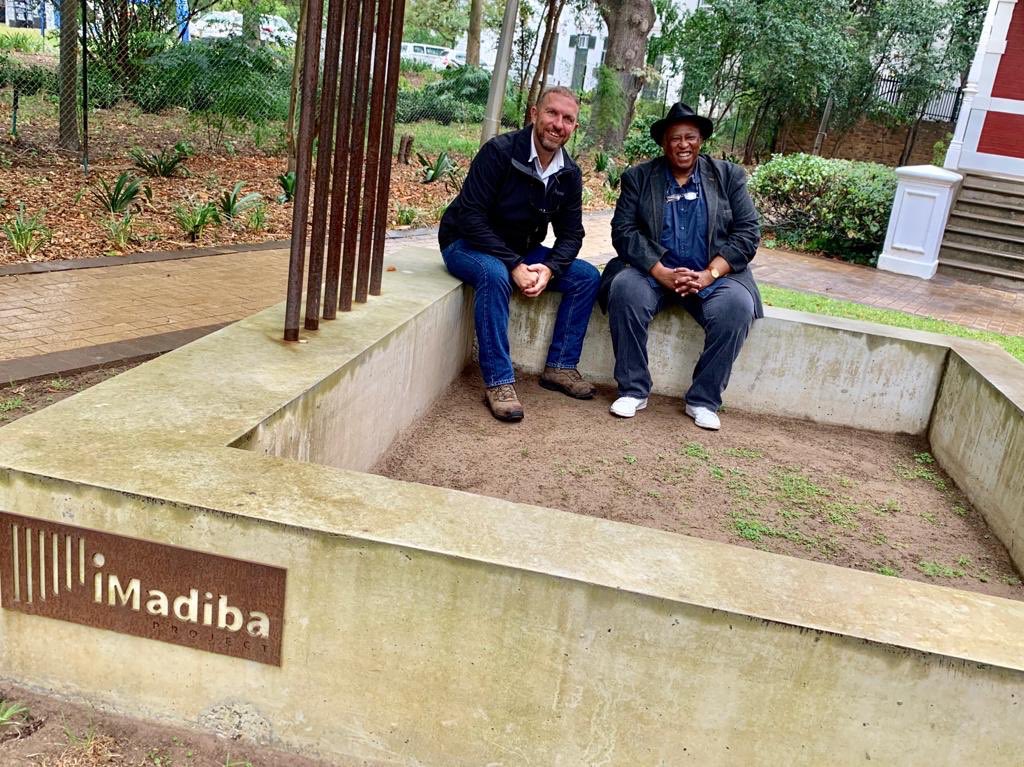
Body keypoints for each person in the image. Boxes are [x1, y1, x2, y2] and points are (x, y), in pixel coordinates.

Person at [439, 86, 601, 422]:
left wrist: (550, 269)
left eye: (568, 119)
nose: (558, 124)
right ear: (534, 114)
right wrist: (514, 264)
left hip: (520, 249)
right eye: (552, 113)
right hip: (466, 243)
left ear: (574, 128)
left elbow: (572, 234)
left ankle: (560, 366)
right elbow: (470, 217)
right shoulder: (499, 152)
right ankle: (498, 382)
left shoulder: (568, 173)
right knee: (493, 274)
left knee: (586, 277)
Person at [599, 102, 762, 431]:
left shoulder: (728, 177)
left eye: (691, 137)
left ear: (701, 140)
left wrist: (709, 274)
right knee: (625, 290)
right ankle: (633, 389)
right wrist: (660, 271)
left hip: (712, 275)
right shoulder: (639, 178)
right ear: (663, 143)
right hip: (653, 274)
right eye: (675, 138)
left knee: (737, 306)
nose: (683, 144)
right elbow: (624, 231)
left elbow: (748, 232)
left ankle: (703, 400)